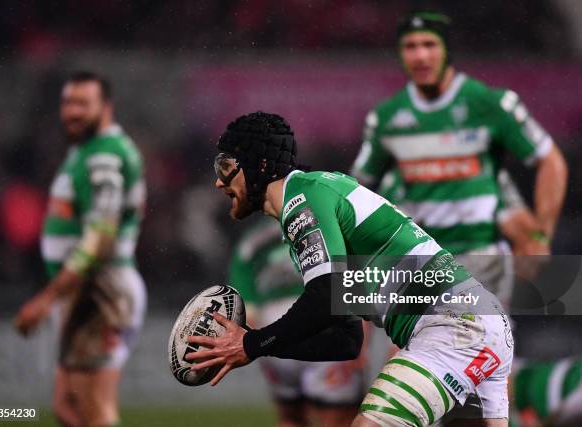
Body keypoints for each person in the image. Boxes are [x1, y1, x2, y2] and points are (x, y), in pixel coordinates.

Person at [187, 111, 514, 426]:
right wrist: (258, 347)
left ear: (259, 165)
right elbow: (346, 340)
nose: (219, 182)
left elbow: (325, 295)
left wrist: (251, 344)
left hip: (454, 326)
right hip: (478, 321)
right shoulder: (315, 195)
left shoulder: (302, 199)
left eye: (226, 166)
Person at [350, 12, 567, 305]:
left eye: (429, 44)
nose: (420, 55)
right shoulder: (386, 119)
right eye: (410, 46)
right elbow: (358, 190)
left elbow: (550, 161)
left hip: (480, 256)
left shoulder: (490, 104)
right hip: (420, 262)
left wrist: (541, 235)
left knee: (466, 340)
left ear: (447, 50)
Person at [14, 71, 147, 427]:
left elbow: (100, 237)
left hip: (100, 291)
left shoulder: (104, 157)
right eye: (68, 102)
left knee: (95, 409)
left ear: (105, 108)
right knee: (68, 407)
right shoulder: (87, 151)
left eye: (82, 104)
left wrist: (46, 298)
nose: (72, 112)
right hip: (83, 292)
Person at [230, 217, 369, 427]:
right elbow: (352, 286)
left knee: (290, 418)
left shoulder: (252, 241)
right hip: (324, 327)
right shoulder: (328, 226)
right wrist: (362, 342)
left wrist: (262, 346)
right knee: (338, 418)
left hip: (274, 330)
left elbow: (248, 311)